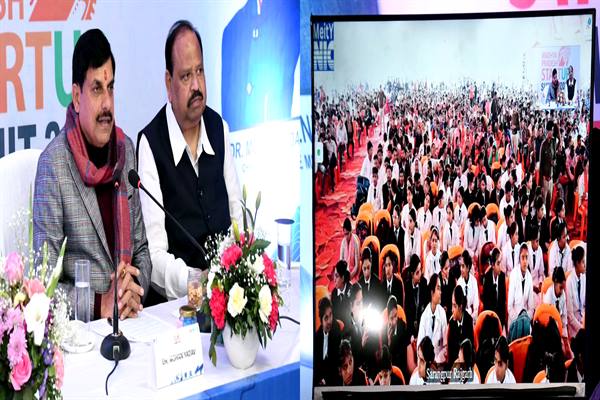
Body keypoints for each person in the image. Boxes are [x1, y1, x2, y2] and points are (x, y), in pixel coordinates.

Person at [33, 29, 151, 320]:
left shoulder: (125, 151)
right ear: (77, 97)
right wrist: (100, 304)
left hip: (131, 321)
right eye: (97, 89)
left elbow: (142, 251)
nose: (107, 104)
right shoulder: (53, 166)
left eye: (110, 88)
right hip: (85, 332)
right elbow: (43, 286)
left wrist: (134, 290)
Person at [137, 20, 242, 302]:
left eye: (200, 71)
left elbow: (237, 218)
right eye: (186, 76)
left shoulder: (218, 128)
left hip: (226, 297)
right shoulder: (151, 145)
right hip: (176, 309)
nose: (196, 85)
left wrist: (234, 273)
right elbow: (154, 257)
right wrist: (197, 284)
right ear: (168, 83)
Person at [417, 273, 448, 365]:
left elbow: (445, 346)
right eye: (438, 288)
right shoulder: (424, 316)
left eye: (440, 289)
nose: (440, 292)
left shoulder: (442, 313)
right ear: (432, 292)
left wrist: (436, 361)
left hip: (439, 363)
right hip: (425, 363)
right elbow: (419, 346)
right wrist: (427, 363)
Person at [381, 295, 410, 380]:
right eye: (391, 318)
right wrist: (389, 341)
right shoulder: (383, 331)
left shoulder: (403, 325)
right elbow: (385, 358)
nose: (394, 321)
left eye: (396, 316)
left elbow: (404, 352)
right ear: (387, 317)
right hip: (389, 367)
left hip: (401, 364)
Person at [315, 297, 342, 386]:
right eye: (326, 318)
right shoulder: (317, 337)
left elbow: (335, 361)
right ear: (321, 320)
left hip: (334, 379)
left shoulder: (336, 330)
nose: (330, 321)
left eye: (330, 315)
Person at [507, 243, 535, 329]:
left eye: (527, 257)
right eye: (522, 257)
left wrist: (525, 320)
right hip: (514, 320)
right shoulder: (513, 275)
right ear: (519, 259)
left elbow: (531, 308)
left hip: (525, 320)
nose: (525, 261)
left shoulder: (529, 277)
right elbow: (510, 307)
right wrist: (518, 321)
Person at [447, 285, 474, 365]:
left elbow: (470, 350)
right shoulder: (452, 323)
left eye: (454, 306)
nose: (452, 310)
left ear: (460, 307)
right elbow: (451, 353)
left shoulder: (469, 321)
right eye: (452, 305)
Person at [543, 266, 569, 349]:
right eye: (560, 288)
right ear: (555, 283)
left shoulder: (563, 294)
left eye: (563, 288)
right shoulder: (548, 298)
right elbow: (548, 324)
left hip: (559, 330)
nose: (562, 291)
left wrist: (565, 339)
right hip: (549, 332)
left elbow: (564, 317)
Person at [404, 254, 429, 339]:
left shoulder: (424, 283)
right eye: (417, 273)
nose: (420, 275)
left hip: (423, 326)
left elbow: (427, 307)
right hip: (410, 328)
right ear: (412, 274)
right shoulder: (406, 287)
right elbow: (407, 313)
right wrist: (411, 335)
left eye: (420, 270)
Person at [482, 248, 506, 332]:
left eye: (501, 262)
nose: (500, 266)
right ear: (492, 265)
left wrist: (501, 323)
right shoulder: (487, 278)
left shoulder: (502, 277)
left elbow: (503, 302)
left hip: (500, 318)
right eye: (498, 263)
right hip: (490, 318)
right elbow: (486, 305)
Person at [566, 246, 586, 339]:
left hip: (583, 319)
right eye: (583, 262)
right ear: (577, 263)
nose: (585, 265)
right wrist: (581, 328)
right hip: (574, 326)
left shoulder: (583, 277)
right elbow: (570, 315)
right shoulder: (569, 282)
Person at [457, 251, 479, 322]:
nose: (461, 269)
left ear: (468, 267)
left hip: (472, 318)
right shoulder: (459, 282)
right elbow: (458, 306)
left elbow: (476, 305)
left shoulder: (474, 281)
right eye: (460, 266)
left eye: (463, 266)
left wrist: (471, 317)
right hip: (461, 318)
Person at [331, 260, 351, 330]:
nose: (334, 280)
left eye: (336, 276)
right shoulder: (334, 293)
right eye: (334, 275)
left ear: (342, 278)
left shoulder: (352, 290)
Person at [527, 225, 544, 305]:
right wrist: (533, 287)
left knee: (543, 299)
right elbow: (524, 277)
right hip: (528, 286)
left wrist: (540, 283)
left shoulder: (539, 250)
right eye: (537, 241)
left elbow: (541, 272)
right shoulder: (526, 251)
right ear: (532, 241)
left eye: (539, 240)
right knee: (533, 301)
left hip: (537, 283)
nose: (538, 243)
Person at [439, 251, 455, 319]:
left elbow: (453, 295)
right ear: (441, 269)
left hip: (451, 310)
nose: (448, 270)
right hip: (440, 311)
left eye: (449, 267)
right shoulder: (438, 279)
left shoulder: (452, 276)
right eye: (446, 269)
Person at [390, 205, 406, 271]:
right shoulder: (389, 232)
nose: (393, 220)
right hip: (391, 263)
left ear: (399, 218)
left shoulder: (404, 233)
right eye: (392, 217)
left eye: (395, 217)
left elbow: (403, 253)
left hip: (400, 263)